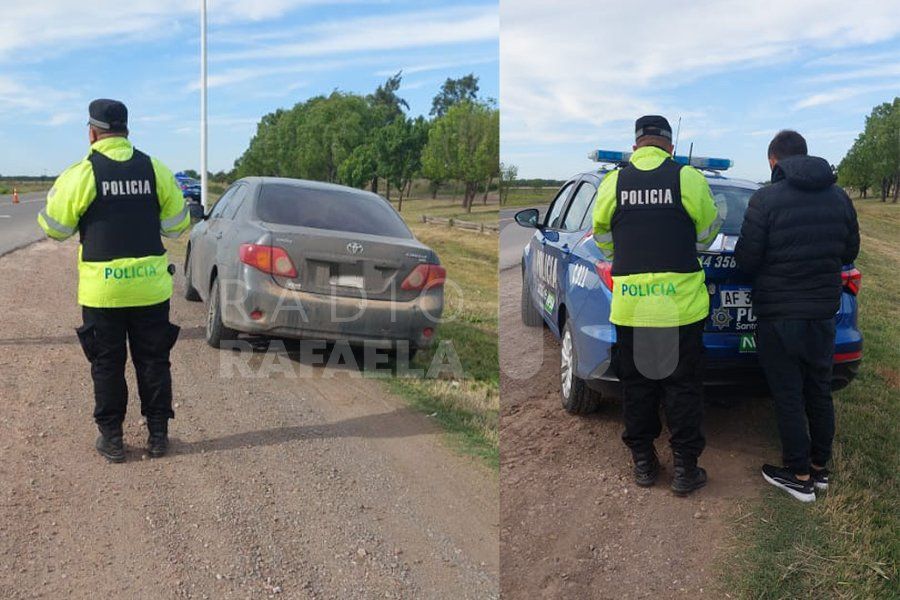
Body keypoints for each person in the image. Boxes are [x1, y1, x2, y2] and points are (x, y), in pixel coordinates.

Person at [38, 99, 190, 462]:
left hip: (103, 290)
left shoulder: (83, 172)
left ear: (92, 133)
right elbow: (177, 225)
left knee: (107, 364)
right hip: (150, 289)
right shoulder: (155, 169)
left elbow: (54, 228)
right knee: (153, 361)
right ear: (126, 130)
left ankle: (113, 439)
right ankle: (157, 436)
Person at [592, 115, 722, 495]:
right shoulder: (687, 178)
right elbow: (709, 231)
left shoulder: (613, 182)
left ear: (636, 146)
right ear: (670, 147)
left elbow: (601, 235)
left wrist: (623, 251)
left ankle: (644, 464)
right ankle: (685, 469)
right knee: (682, 387)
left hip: (632, 308)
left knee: (638, 386)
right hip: (681, 308)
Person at [735, 130, 859, 503]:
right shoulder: (839, 198)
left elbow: (747, 261)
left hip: (779, 314)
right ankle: (820, 469)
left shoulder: (766, 199)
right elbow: (850, 250)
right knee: (818, 389)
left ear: (775, 161)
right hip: (823, 313)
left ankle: (798, 475)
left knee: (788, 394)